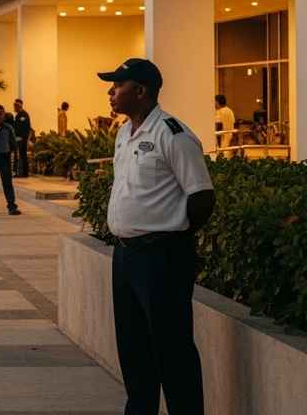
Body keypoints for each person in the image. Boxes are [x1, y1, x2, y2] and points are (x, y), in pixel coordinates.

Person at [98, 58, 213, 415]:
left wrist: (170, 234)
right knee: (133, 349)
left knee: (172, 349)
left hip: (162, 257)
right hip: (126, 256)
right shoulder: (123, 133)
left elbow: (202, 198)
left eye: (119, 85)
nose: (111, 92)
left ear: (141, 91)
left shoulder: (173, 134)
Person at [12, 99, 33, 178]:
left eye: (15, 106)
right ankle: (19, 172)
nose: (14, 107)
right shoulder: (18, 115)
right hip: (17, 139)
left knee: (21, 156)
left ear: (19, 106)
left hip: (21, 139)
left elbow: (25, 129)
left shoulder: (24, 115)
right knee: (18, 156)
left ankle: (23, 173)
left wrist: (22, 138)